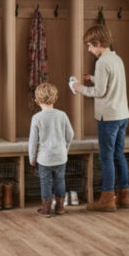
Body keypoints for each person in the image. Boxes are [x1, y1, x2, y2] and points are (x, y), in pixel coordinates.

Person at [70, 24, 129, 212]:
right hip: (122, 115)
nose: (88, 50)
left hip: (108, 117)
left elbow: (100, 91)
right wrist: (93, 78)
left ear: (97, 43)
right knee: (119, 155)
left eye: (89, 46)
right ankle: (123, 196)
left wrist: (80, 88)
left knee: (106, 157)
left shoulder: (102, 62)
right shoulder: (116, 59)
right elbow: (111, 82)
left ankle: (107, 199)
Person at [29, 82, 74, 217]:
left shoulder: (37, 118)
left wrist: (32, 158)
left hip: (44, 159)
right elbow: (70, 135)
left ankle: (46, 209)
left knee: (46, 182)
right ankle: (60, 207)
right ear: (56, 98)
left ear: (37, 101)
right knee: (60, 180)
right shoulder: (62, 115)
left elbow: (33, 142)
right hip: (61, 157)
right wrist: (65, 150)